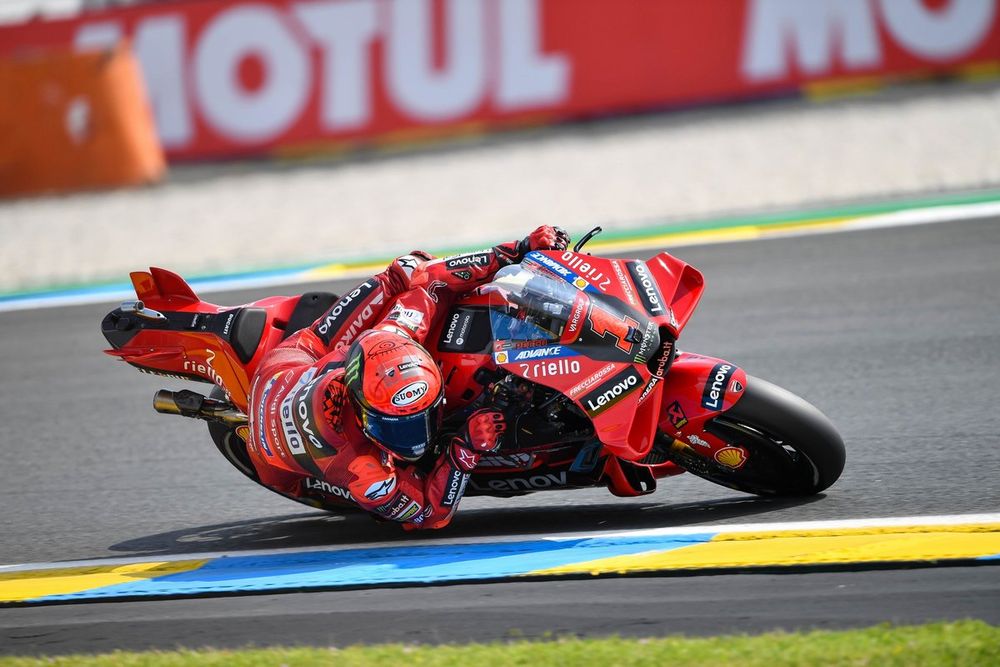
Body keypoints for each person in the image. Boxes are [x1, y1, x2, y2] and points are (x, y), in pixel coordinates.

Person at [246, 226, 570, 529]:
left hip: (310, 367)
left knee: (406, 269)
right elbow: (430, 515)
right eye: (394, 426)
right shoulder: (366, 471)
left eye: (422, 418)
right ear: (362, 412)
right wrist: (465, 449)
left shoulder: (395, 331)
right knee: (283, 475)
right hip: (280, 385)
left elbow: (434, 278)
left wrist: (520, 248)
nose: (418, 437)